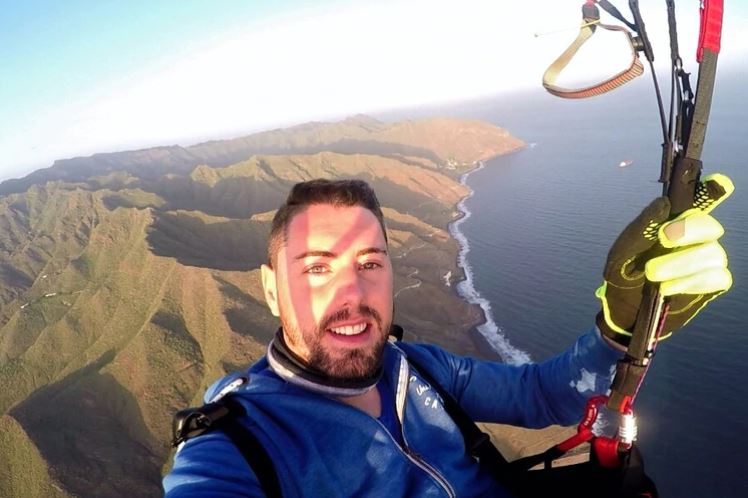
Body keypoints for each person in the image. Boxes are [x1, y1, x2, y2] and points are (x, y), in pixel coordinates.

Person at [163, 176, 733, 497]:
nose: (351, 294)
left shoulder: (416, 367)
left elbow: (540, 393)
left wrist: (618, 330)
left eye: (370, 262)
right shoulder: (237, 445)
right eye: (316, 268)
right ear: (269, 289)